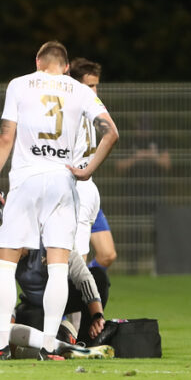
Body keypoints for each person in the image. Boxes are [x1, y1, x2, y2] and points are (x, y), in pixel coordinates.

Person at [0, 41, 119, 360]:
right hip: (62, 180)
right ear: (67, 67)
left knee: (5, 263)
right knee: (58, 268)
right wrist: (87, 169)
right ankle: (50, 347)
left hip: (26, 180)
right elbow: (111, 132)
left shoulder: (19, 84)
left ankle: (0, 345)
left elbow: (5, 136)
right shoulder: (79, 90)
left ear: (38, 62)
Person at [69, 58, 117, 269]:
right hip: (70, 191)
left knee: (107, 255)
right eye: (89, 86)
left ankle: (83, 291)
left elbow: (111, 135)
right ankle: (81, 296)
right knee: (71, 258)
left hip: (86, 190)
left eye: (95, 85)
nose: (93, 90)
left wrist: (89, 170)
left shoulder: (93, 109)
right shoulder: (68, 109)